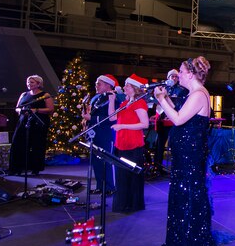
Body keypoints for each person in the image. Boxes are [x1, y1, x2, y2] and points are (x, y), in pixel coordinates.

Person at [153, 56, 216, 246]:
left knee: (188, 194)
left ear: (189, 73)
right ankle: (178, 239)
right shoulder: (192, 93)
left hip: (191, 155)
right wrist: (165, 99)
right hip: (184, 154)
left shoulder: (199, 94)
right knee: (181, 194)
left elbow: (178, 119)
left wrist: (162, 100)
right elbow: (180, 112)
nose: (178, 74)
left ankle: (190, 242)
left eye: (180, 71)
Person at [111, 75, 149, 213]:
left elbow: (144, 124)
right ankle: (124, 203)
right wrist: (111, 99)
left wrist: (122, 126)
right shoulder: (124, 103)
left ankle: (132, 205)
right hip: (122, 142)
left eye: (127, 85)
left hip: (133, 143)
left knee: (131, 176)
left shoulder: (139, 103)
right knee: (123, 176)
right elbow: (112, 117)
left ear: (135, 88)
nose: (124, 87)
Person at [81, 74, 121, 194]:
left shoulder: (114, 98)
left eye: (99, 83)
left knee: (108, 160)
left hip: (106, 132)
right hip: (94, 132)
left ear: (108, 85)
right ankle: (100, 185)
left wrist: (91, 118)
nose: (96, 85)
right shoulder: (95, 98)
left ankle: (110, 187)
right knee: (96, 160)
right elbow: (90, 114)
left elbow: (112, 118)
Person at [8, 75, 55, 175]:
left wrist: (36, 110)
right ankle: (18, 168)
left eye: (32, 82)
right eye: (28, 82)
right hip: (24, 122)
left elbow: (50, 109)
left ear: (38, 84)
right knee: (18, 144)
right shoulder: (24, 94)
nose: (29, 84)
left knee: (36, 145)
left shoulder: (45, 95)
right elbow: (17, 108)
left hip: (38, 122)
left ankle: (35, 168)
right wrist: (20, 110)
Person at [153, 68, 189, 171]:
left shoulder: (181, 90)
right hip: (163, 120)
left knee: (174, 144)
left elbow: (178, 105)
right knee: (159, 144)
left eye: (176, 76)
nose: (174, 78)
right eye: (172, 76)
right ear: (168, 78)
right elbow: (158, 104)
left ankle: (175, 168)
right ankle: (157, 166)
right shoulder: (163, 88)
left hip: (174, 120)